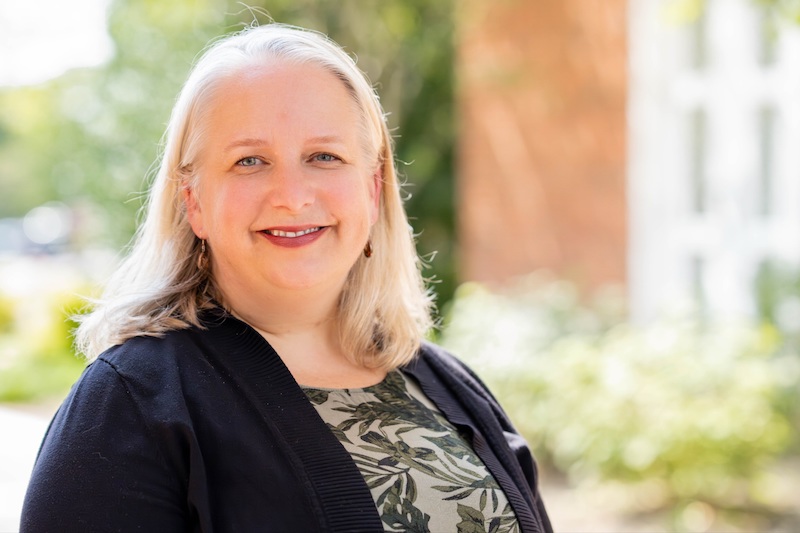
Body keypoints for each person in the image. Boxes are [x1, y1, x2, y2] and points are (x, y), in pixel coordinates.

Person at [21, 23, 552, 533]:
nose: (293, 195)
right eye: (250, 160)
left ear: (371, 189)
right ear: (194, 202)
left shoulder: (446, 383)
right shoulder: (129, 406)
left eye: (325, 156)